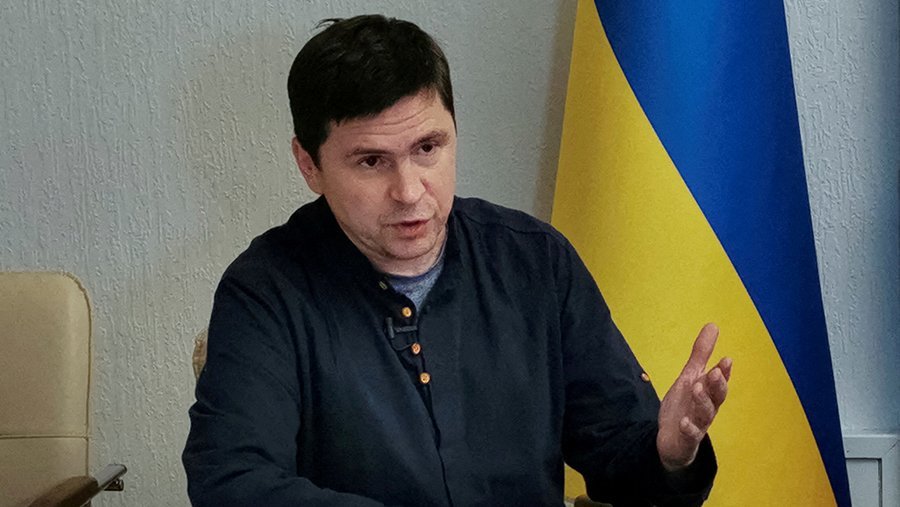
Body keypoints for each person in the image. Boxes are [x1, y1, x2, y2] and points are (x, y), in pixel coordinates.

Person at [183, 14, 732, 507]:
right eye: (372, 161)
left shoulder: (535, 261)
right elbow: (231, 480)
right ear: (310, 165)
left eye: (428, 148)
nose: (409, 191)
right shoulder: (265, 290)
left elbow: (618, 456)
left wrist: (668, 454)